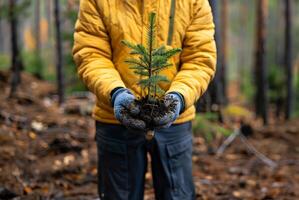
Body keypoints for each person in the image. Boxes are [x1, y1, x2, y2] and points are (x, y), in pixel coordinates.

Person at [73, 0, 216, 199]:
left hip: (174, 122)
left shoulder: (193, 2)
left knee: (177, 195)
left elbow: (200, 59)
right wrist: (115, 93)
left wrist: (179, 98)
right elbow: (91, 55)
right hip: (115, 118)